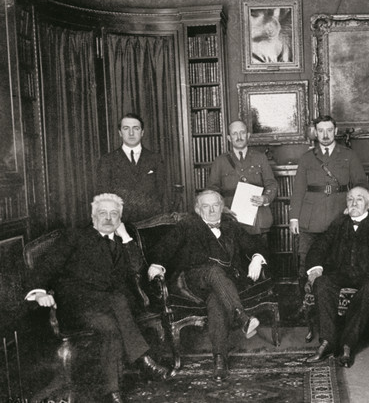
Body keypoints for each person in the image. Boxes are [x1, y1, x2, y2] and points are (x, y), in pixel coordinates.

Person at [25, 193, 173, 403]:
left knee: (111, 323)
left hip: (111, 308)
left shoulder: (121, 240)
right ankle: (142, 359)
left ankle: (112, 392)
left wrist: (126, 236)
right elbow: (46, 267)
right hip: (78, 305)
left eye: (114, 214)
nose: (108, 218)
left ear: (120, 219)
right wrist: (39, 291)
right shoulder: (75, 236)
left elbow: (136, 269)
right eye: (103, 213)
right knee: (118, 301)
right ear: (93, 216)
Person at [147, 190, 267, 380]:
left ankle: (220, 360)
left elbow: (256, 245)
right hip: (193, 282)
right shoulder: (187, 225)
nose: (211, 210)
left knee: (216, 299)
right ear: (198, 209)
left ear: (222, 207)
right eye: (206, 206)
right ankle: (241, 317)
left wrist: (257, 259)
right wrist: (157, 265)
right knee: (213, 271)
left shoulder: (231, 226)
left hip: (224, 285)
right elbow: (163, 248)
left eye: (215, 205)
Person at [304, 186, 369, 368]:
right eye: (350, 199)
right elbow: (319, 246)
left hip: (368, 275)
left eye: (359, 199)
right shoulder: (339, 223)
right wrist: (315, 269)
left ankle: (348, 345)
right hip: (340, 273)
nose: (354, 203)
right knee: (322, 283)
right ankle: (327, 342)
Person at [289, 115, 369, 283]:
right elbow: (298, 190)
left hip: (339, 214)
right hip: (311, 218)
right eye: (321, 131)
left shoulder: (349, 155)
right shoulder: (307, 158)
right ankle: (305, 295)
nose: (325, 135)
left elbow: (361, 184)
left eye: (329, 130)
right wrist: (294, 217)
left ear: (336, 131)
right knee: (306, 260)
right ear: (315, 132)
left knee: (338, 261)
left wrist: (354, 207)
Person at [207, 120, 277, 238]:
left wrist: (265, 198)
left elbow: (271, 184)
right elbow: (212, 190)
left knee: (259, 249)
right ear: (229, 138)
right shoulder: (220, 161)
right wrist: (222, 208)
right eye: (234, 134)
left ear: (248, 136)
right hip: (230, 219)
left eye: (242, 133)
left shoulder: (260, 158)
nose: (239, 137)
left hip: (257, 220)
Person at [96, 113, 166, 222]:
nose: (131, 133)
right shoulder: (107, 161)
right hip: (120, 224)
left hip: (151, 222)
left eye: (136, 128)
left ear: (142, 132)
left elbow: (162, 193)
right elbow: (104, 197)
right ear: (120, 133)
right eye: (126, 128)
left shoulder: (156, 159)